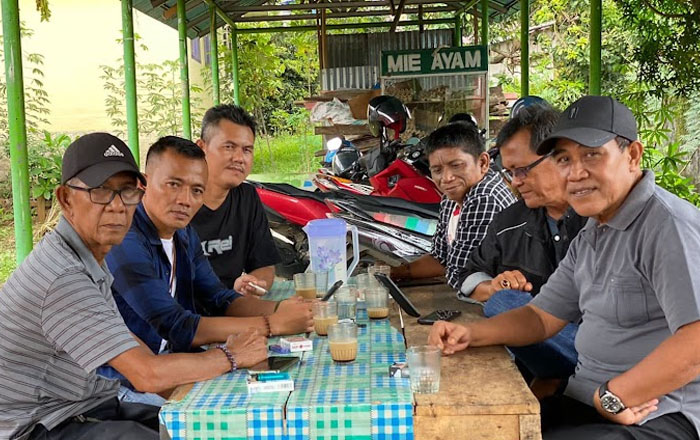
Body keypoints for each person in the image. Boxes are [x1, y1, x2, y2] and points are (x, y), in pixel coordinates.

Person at [429, 96, 700, 440]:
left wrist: (616, 395)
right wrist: (471, 334)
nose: (576, 172)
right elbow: (540, 317)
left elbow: (695, 340)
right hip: (587, 399)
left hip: (655, 413)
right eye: (563, 159)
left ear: (632, 155)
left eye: (591, 155)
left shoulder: (667, 226)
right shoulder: (594, 230)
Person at [0, 133, 267, 440]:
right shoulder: (63, 275)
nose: (117, 206)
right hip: (38, 425)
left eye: (127, 191)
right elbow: (146, 374)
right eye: (101, 191)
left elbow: (130, 344)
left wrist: (214, 372)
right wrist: (231, 356)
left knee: (210, 427)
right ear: (65, 199)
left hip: (88, 405)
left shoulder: (87, 256)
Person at [102, 136, 314, 405]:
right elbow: (174, 324)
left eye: (196, 191)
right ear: (143, 183)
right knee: (241, 410)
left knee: (290, 392)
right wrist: (272, 324)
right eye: (173, 185)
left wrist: (287, 309)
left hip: (180, 362)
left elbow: (219, 298)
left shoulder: (183, 234)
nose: (185, 200)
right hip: (127, 386)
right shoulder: (126, 239)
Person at [457, 103, 587, 384]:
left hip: (605, 353)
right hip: (542, 348)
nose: (516, 182)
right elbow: (469, 275)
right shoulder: (510, 222)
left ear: (561, 157)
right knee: (504, 303)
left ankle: (570, 378)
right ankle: (558, 379)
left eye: (523, 170)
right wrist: (492, 286)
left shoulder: (599, 221)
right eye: (510, 173)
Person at [391, 121, 517, 290]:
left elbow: (461, 275)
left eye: (456, 166)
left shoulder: (484, 198)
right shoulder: (452, 197)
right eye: (437, 170)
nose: (446, 178)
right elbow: (440, 259)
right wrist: (393, 272)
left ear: (483, 163)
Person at [191, 105, 280, 295]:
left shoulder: (247, 198)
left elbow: (264, 265)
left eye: (247, 150)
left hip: (231, 305)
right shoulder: (178, 202)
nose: (239, 158)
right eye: (229, 147)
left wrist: (253, 285)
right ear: (201, 148)